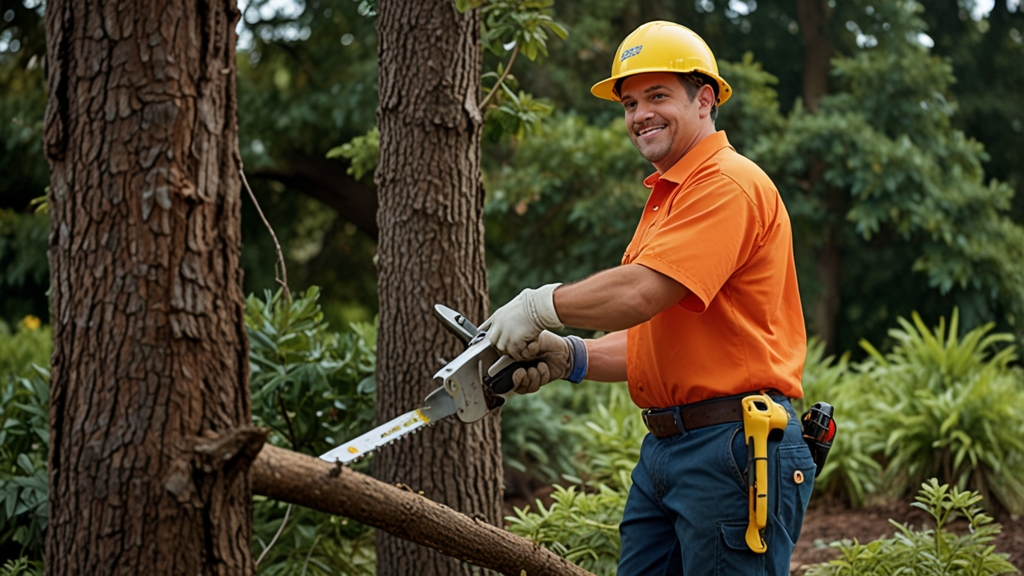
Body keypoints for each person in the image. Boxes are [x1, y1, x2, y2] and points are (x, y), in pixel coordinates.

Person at [483, 21, 817, 576]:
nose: (640, 115)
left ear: (705, 98)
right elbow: (651, 338)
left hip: (732, 447)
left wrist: (538, 305)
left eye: (658, 96)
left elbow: (641, 292)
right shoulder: (671, 196)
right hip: (669, 450)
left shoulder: (727, 184)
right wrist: (570, 355)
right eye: (630, 102)